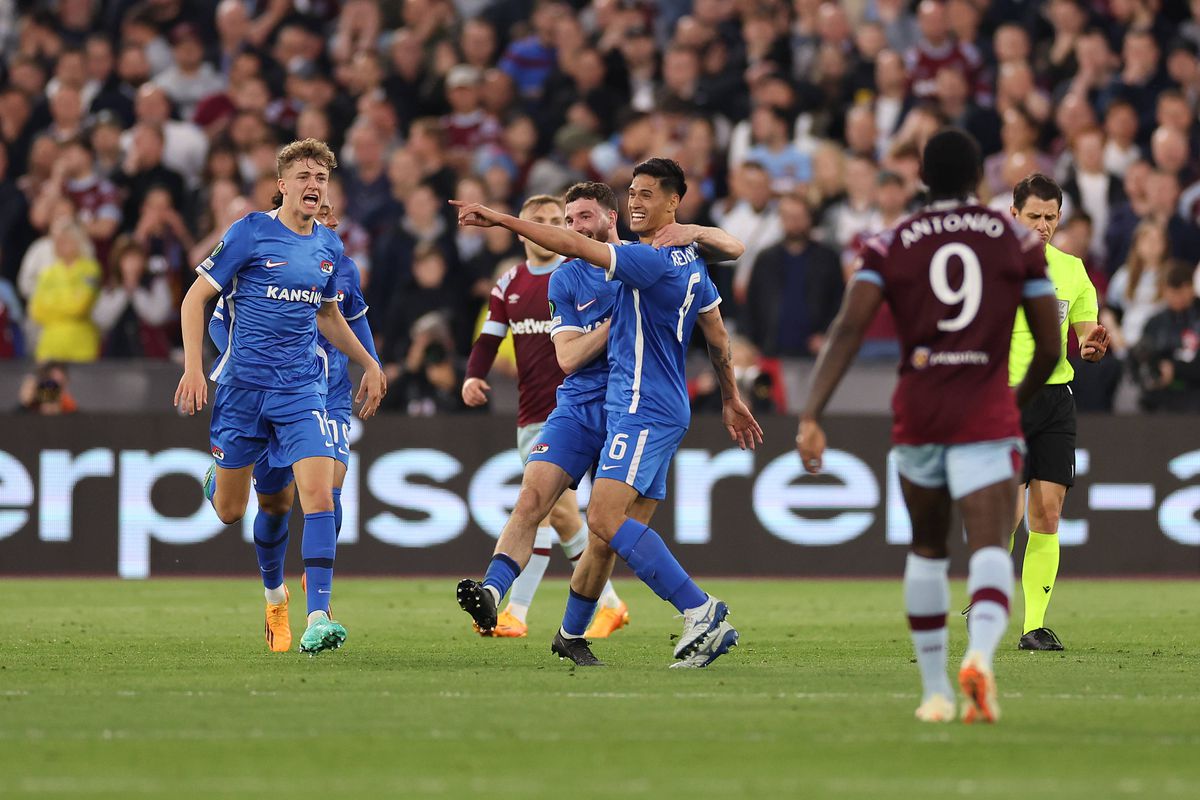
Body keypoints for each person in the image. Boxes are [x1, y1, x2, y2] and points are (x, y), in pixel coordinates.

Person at [453, 158, 762, 669]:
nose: (572, 230)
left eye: (644, 195)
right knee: (567, 512)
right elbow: (718, 334)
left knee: (604, 520)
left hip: (641, 404)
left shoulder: (645, 260)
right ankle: (549, 622)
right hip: (610, 404)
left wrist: (503, 219)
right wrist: (730, 397)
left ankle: (701, 610)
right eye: (633, 192)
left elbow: (580, 249)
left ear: (614, 216)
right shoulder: (682, 261)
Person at [796, 129, 1062, 724]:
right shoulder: (1016, 240)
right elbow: (1049, 344)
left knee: (926, 548)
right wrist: (1013, 401)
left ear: (922, 178)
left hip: (919, 411)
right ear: (978, 180)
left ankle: (934, 691)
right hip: (986, 411)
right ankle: (982, 659)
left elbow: (847, 329)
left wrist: (812, 413)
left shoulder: (889, 242)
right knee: (991, 545)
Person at [174, 138, 386, 657]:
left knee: (318, 498)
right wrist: (194, 368)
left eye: (322, 179)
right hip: (243, 390)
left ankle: (318, 616)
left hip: (301, 389)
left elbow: (329, 315)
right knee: (233, 510)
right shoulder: (249, 231)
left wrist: (370, 363)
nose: (314, 186)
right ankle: (275, 595)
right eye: (305, 177)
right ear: (282, 185)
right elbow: (195, 297)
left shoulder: (329, 248)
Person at [459, 193, 622, 638]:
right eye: (544, 221)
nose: (554, 227)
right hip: (535, 413)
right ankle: (607, 604)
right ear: (524, 227)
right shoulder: (509, 282)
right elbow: (489, 339)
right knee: (557, 515)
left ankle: (517, 611)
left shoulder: (584, 270)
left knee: (549, 511)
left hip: (582, 407)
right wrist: (472, 377)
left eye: (558, 220)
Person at [1006, 174, 1110, 652]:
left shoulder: (1071, 270)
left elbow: (1087, 330)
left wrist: (1090, 347)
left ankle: (1034, 625)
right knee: (1006, 511)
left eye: (1051, 217)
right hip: (1002, 399)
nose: (1044, 226)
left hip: (1054, 397)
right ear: (1014, 215)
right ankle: (985, 599)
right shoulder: (989, 268)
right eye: (1035, 216)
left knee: (1047, 512)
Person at [1131, 260, 1200, 412]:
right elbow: (1142, 357)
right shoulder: (1155, 322)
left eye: (1181, 291)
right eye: (1172, 292)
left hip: (1194, 390)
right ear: (1164, 290)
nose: (1177, 298)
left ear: (1191, 288)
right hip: (1161, 392)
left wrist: (1174, 369)